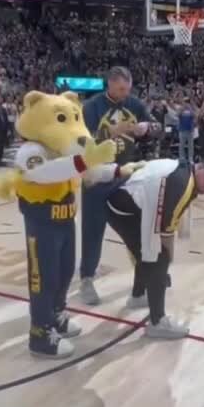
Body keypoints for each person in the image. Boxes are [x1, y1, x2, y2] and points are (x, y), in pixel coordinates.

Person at [104, 157, 204, 338]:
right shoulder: (182, 186)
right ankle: (157, 322)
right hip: (123, 210)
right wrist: (163, 269)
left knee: (147, 252)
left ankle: (138, 296)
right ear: (200, 167)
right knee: (157, 257)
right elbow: (164, 235)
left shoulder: (186, 171)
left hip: (125, 200)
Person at [78, 67, 156, 305]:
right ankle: (86, 279)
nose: (125, 94)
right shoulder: (91, 107)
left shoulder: (134, 104)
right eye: (121, 89)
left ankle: (144, 276)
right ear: (110, 85)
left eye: (127, 89)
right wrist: (112, 131)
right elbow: (82, 139)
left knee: (134, 228)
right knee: (93, 230)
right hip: (98, 177)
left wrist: (148, 129)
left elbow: (158, 128)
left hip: (128, 176)